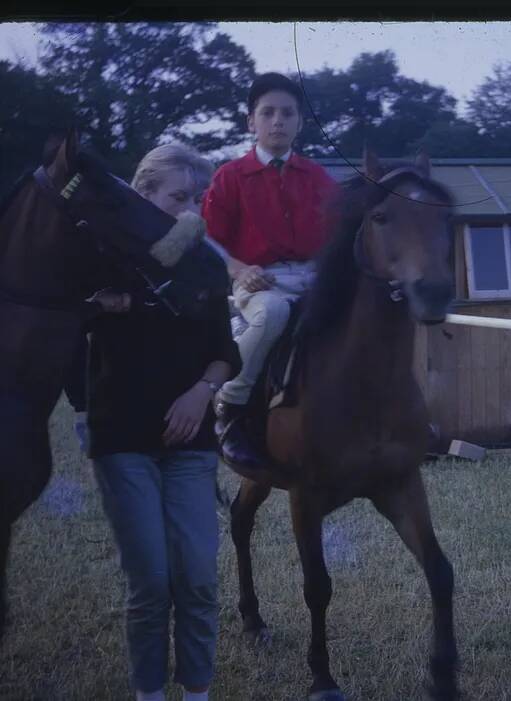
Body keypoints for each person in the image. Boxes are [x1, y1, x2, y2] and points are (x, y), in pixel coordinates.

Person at [87, 143, 241, 701]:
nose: (190, 210)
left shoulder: (204, 263)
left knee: (197, 579)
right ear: (142, 195)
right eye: (178, 198)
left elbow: (225, 351)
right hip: (123, 440)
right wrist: (98, 303)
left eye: (196, 198)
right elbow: (55, 311)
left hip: (190, 443)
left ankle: (196, 694)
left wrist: (202, 393)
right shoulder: (103, 254)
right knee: (151, 582)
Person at [201, 72, 339, 466]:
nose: (277, 121)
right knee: (273, 312)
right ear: (252, 122)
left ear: (299, 122)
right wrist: (240, 270)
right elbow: (209, 243)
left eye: (287, 113)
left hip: (313, 278)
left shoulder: (318, 177)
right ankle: (230, 402)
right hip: (259, 282)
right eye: (268, 113)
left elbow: (337, 239)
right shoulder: (230, 176)